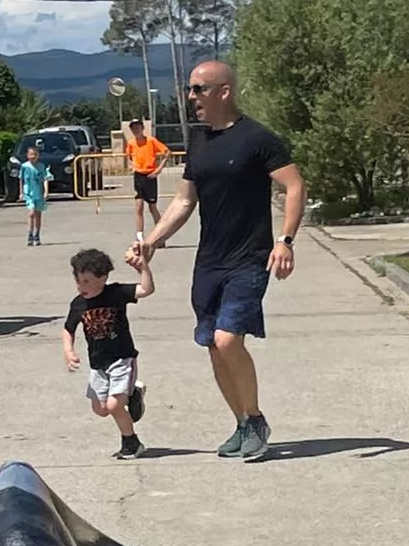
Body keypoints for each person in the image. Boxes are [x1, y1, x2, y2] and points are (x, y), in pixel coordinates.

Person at [125, 60, 305, 464]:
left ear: (224, 91)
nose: (191, 98)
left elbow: (294, 186)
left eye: (198, 89)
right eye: (190, 90)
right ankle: (241, 423)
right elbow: (185, 201)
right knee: (212, 345)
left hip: (249, 258)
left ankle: (256, 420)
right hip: (209, 261)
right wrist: (151, 241)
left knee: (228, 340)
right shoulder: (201, 140)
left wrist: (286, 240)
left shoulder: (258, 139)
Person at [63, 248, 152, 461]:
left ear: (103, 278)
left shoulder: (116, 293)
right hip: (98, 364)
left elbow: (147, 289)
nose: (80, 286)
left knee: (114, 406)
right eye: (78, 280)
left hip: (122, 359)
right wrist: (68, 351)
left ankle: (131, 443)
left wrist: (144, 268)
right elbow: (68, 329)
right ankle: (134, 393)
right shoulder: (78, 304)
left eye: (86, 281)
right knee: (101, 409)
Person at [125, 118, 170, 240]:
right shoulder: (131, 143)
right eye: (133, 128)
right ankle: (140, 236)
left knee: (152, 207)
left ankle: (161, 236)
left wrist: (159, 169)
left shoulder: (151, 141)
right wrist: (132, 165)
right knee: (138, 206)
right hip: (138, 176)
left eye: (138, 127)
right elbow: (128, 156)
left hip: (150, 176)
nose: (136, 130)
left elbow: (166, 152)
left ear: (142, 128)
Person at [20, 145, 53, 246]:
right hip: (28, 192)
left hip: (38, 193)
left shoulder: (41, 166)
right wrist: (21, 192)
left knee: (38, 215)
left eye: (35, 154)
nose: (32, 156)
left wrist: (46, 191)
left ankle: (36, 234)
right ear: (27, 155)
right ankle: (30, 233)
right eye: (31, 154)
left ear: (38, 155)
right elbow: (21, 179)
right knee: (31, 213)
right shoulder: (24, 166)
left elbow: (45, 179)